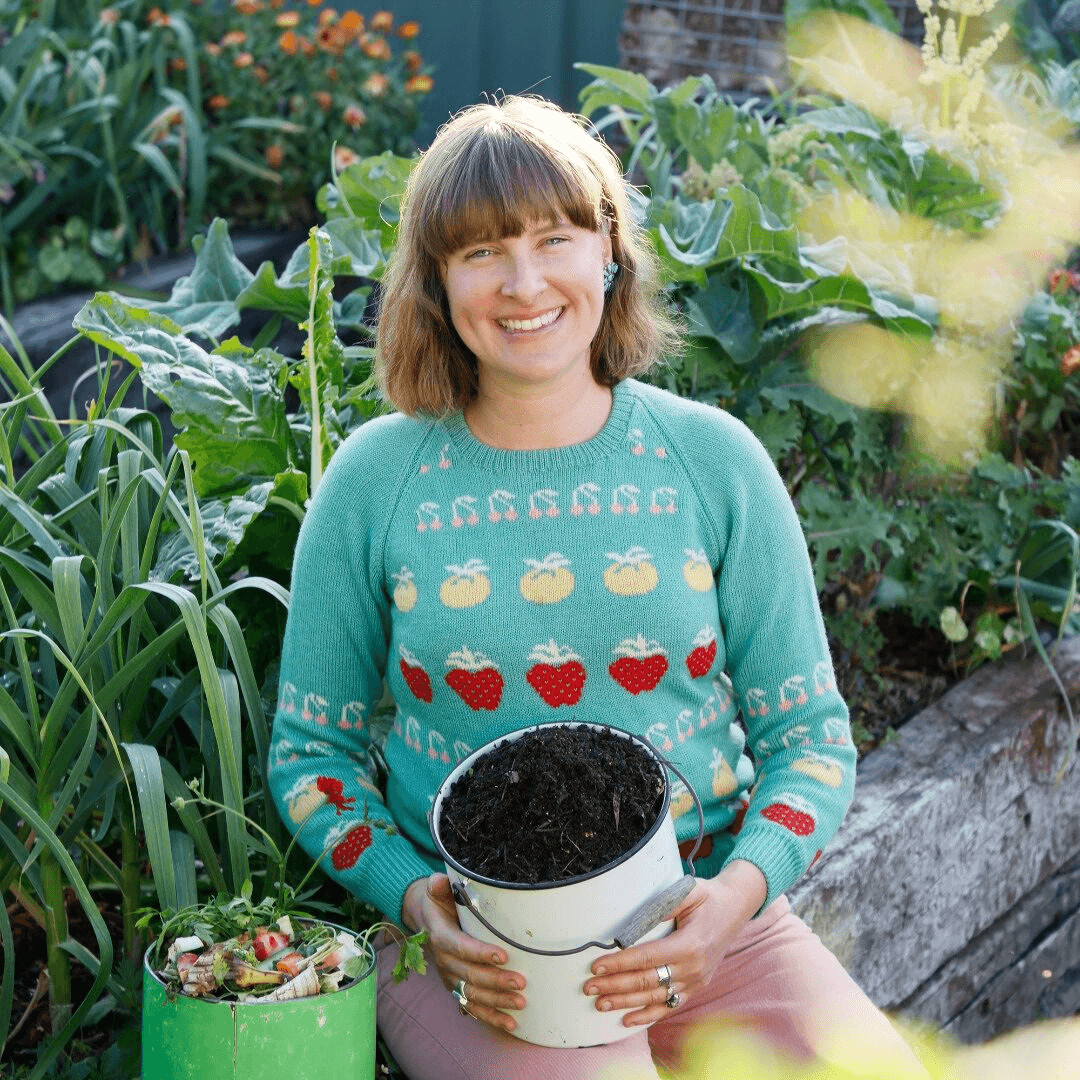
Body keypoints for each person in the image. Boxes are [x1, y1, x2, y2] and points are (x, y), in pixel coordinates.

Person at [267, 95, 927, 1079]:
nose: (524, 281)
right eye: (481, 251)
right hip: (479, 948)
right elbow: (311, 757)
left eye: (554, 237)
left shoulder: (713, 462)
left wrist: (734, 899)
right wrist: (417, 903)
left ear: (609, 251)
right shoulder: (376, 482)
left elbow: (811, 742)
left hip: (708, 920)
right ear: (436, 283)